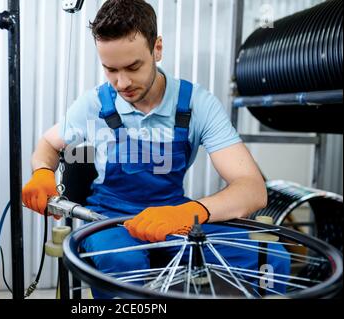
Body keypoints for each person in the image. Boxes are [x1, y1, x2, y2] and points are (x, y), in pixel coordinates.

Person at [23, 0, 289, 298]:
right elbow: (48, 143)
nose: (121, 83)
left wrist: (191, 213)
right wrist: (42, 171)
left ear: (157, 49)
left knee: (271, 257)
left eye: (133, 67)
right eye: (110, 69)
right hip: (109, 220)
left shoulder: (196, 104)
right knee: (122, 262)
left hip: (173, 217)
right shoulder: (94, 104)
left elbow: (252, 189)